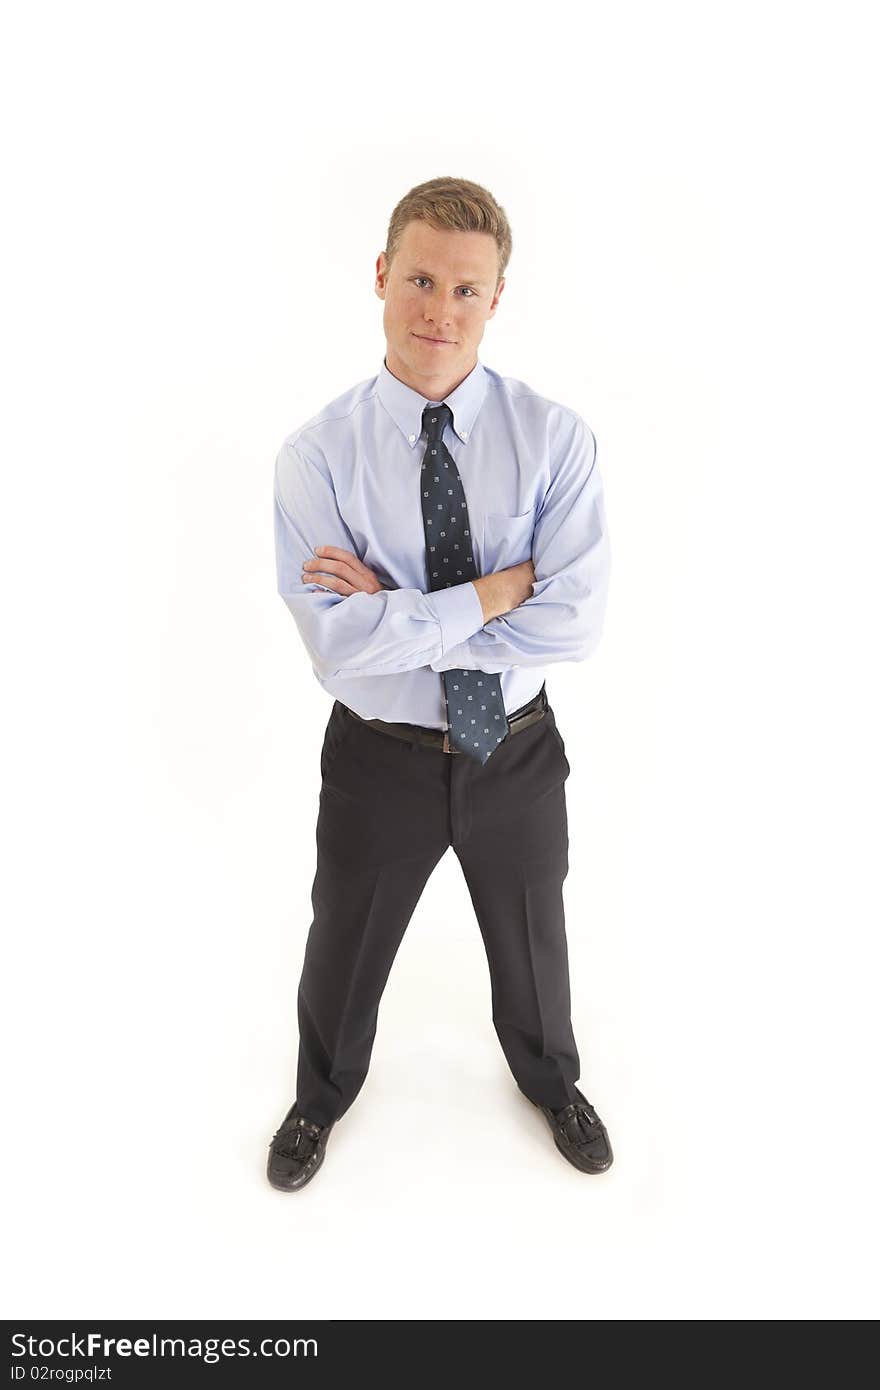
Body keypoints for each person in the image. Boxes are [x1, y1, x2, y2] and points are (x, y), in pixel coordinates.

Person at [268, 175, 612, 1191]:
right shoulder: (317, 456)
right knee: (345, 938)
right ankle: (318, 1097)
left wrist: (398, 612)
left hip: (514, 747)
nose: (439, 309)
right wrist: (494, 590)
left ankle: (552, 1080)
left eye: (467, 290)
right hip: (380, 757)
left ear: (496, 298)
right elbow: (336, 650)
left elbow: (576, 622)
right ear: (381, 275)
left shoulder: (555, 440)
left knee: (534, 934)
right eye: (420, 279)